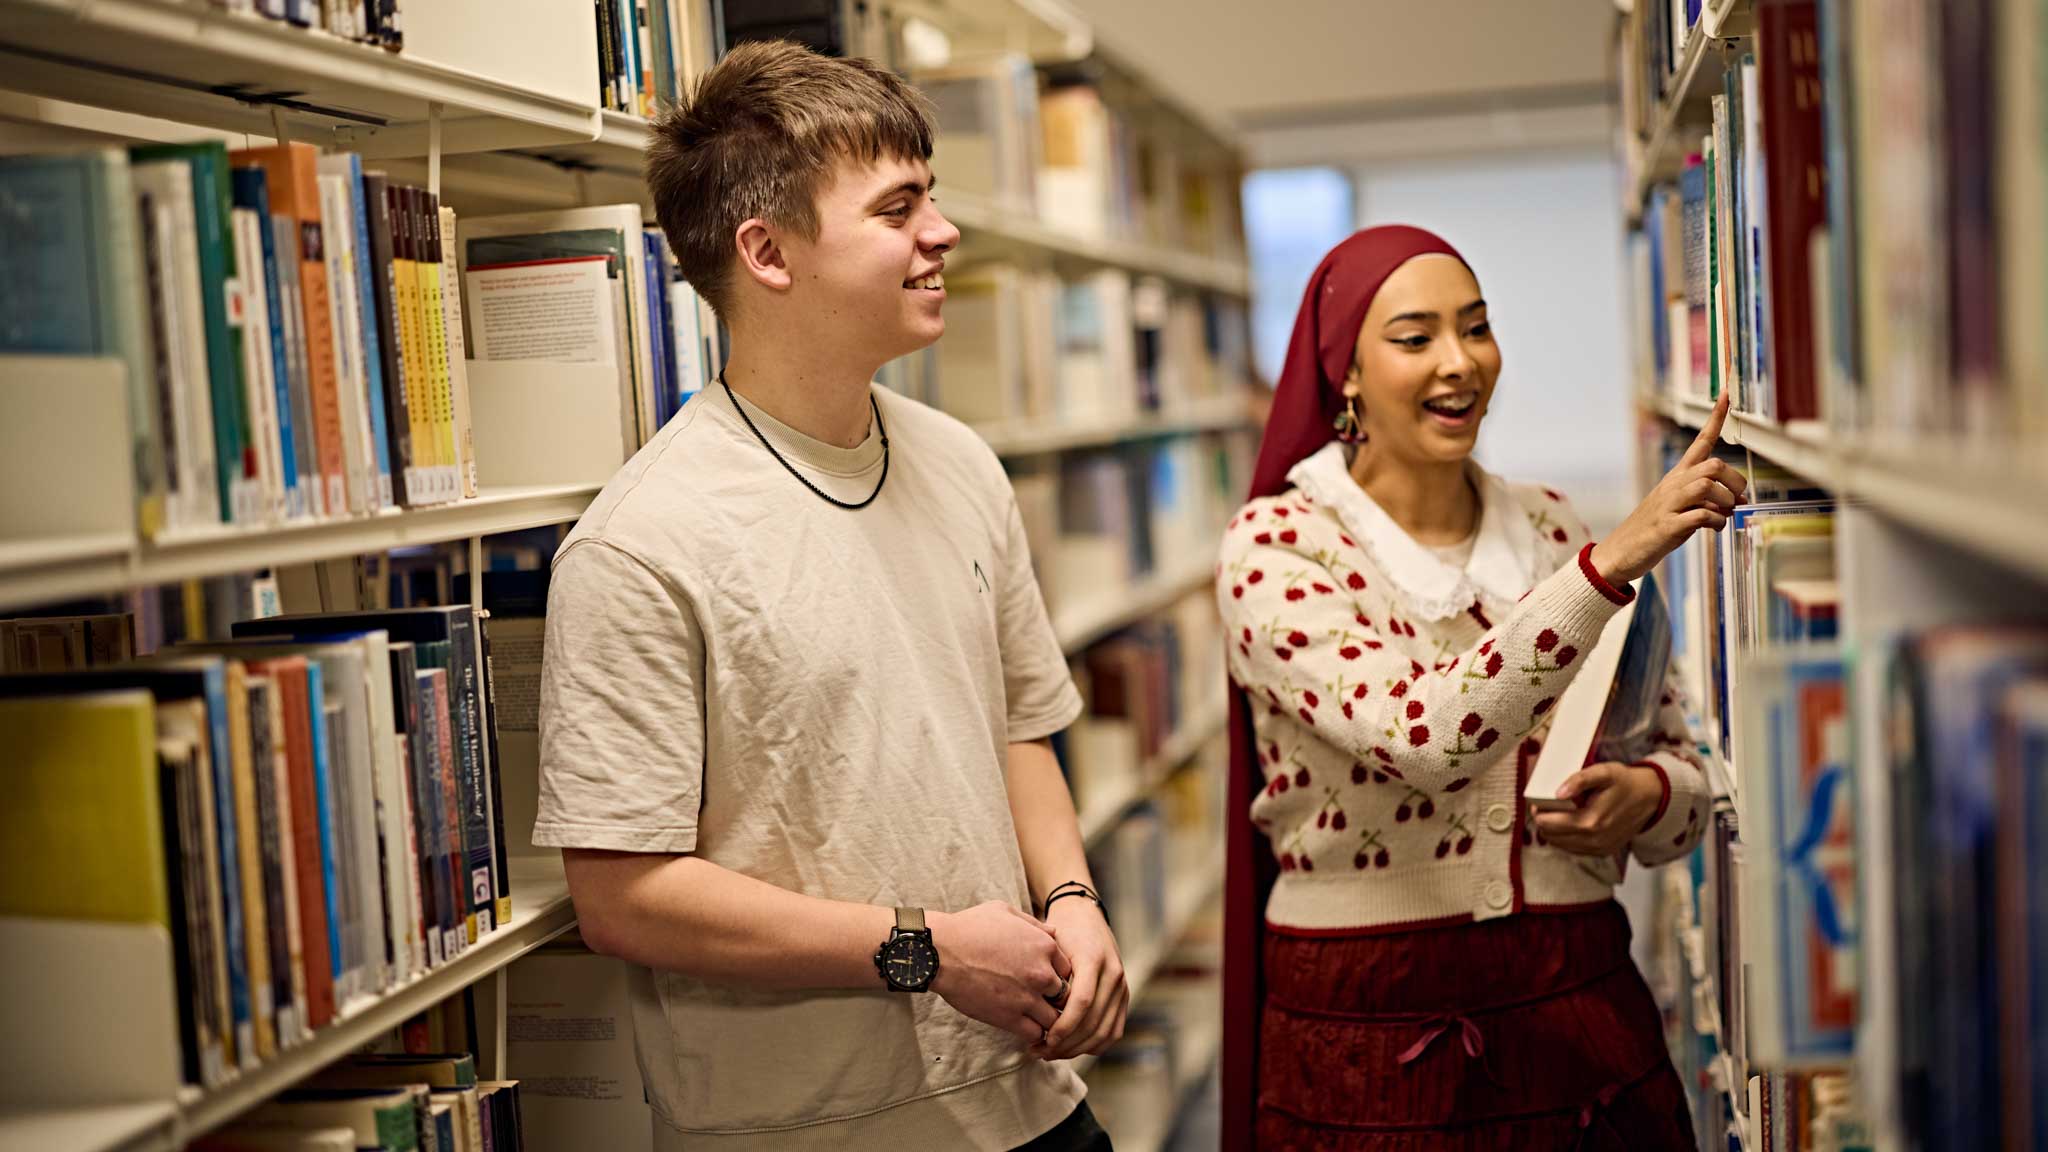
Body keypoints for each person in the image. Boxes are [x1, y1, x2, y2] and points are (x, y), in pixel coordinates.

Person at [532, 41, 1125, 1151]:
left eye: (930, 199)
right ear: (766, 252)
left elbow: (1014, 729)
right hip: (810, 1131)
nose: (941, 233)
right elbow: (623, 900)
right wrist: (926, 950)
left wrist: (1073, 905)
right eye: (897, 209)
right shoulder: (641, 543)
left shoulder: (961, 463)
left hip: (1028, 1096)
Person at [1215, 225, 1745, 1150]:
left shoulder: (1546, 525)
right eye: (1415, 338)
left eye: (1477, 328)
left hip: (1578, 1000)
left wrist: (1647, 796)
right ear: (1345, 373)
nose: (1460, 364)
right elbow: (1425, 736)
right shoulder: (1276, 549)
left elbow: (1683, 773)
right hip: (1363, 1025)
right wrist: (1610, 562)